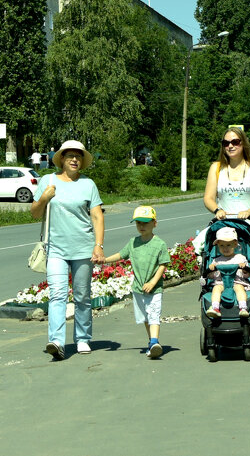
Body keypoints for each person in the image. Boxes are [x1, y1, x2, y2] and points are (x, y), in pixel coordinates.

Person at [31, 139, 105, 361]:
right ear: (61, 159)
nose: (74, 159)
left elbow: (97, 216)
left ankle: (82, 338)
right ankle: (56, 341)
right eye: (70, 155)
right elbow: (35, 214)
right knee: (57, 295)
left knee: (82, 295)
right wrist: (44, 198)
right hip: (55, 249)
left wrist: (98, 246)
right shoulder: (48, 180)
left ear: (82, 161)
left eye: (78, 156)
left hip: (83, 248)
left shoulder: (88, 184)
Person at [101, 205, 170, 359]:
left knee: (154, 315)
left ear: (154, 223)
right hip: (138, 289)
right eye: (138, 223)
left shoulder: (160, 244)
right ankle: (151, 342)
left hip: (154, 289)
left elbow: (163, 264)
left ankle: (154, 342)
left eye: (145, 222)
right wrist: (104, 260)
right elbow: (121, 255)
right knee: (146, 317)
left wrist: (153, 282)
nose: (141, 226)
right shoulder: (133, 242)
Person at [197, 126, 250, 255]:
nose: (230, 146)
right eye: (226, 143)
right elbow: (208, 198)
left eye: (235, 142)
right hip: (224, 227)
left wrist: (249, 211)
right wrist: (217, 210)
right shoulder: (216, 167)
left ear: (243, 143)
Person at [204, 227, 250, 318]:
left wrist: (244, 269)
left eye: (228, 245)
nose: (225, 248)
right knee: (216, 288)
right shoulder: (216, 260)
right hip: (221, 283)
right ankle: (215, 308)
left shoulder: (240, 258)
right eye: (222, 246)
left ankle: (243, 307)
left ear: (235, 244)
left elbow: (247, 275)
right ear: (218, 246)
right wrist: (212, 269)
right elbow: (211, 276)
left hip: (237, 282)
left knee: (239, 288)